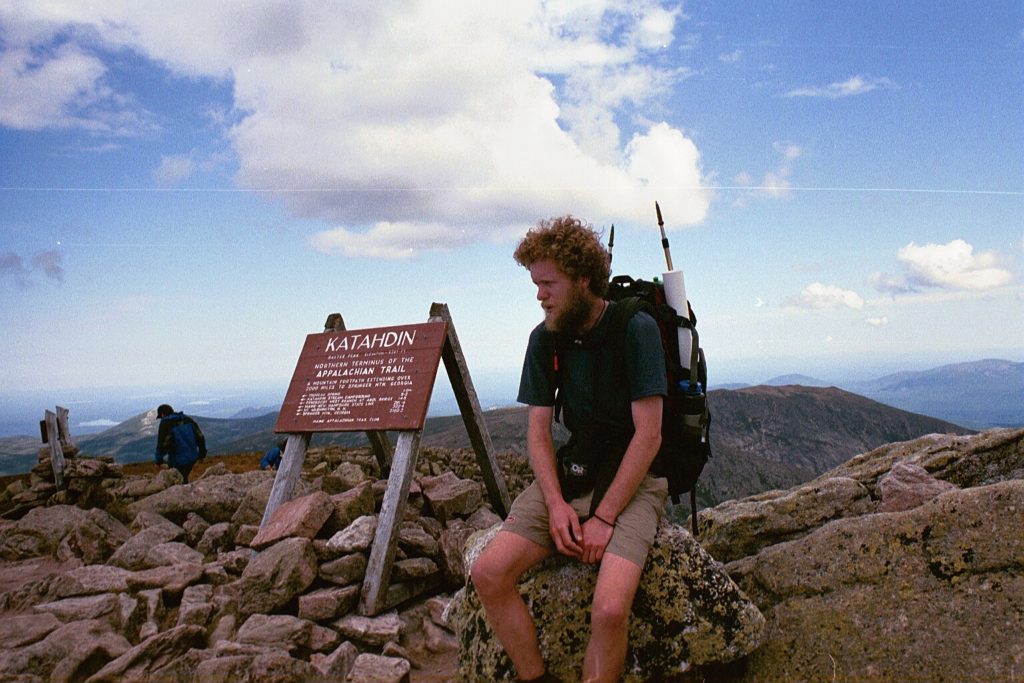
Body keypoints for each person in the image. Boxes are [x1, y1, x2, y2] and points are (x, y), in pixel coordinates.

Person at [470, 215, 668, 683]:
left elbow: (650, 436)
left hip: (636, 480)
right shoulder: (545, 339)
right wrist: (556, 503)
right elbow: (538, 431)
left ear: (583, 280)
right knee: (489, 574)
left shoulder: (634, 329)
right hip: (575, 471)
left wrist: (603, 518)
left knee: (610, 610)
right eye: (536, 283)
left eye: (548, 283)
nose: (540, 295)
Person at [154, 404, 207, 483]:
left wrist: (158, 460)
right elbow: (200, 437)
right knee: (184, 479)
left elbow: (162, 444)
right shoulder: (187, 419)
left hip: (177, 461)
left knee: (178, 482)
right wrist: (202, 454)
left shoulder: (165, 423)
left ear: (162, 414)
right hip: (192, 458)